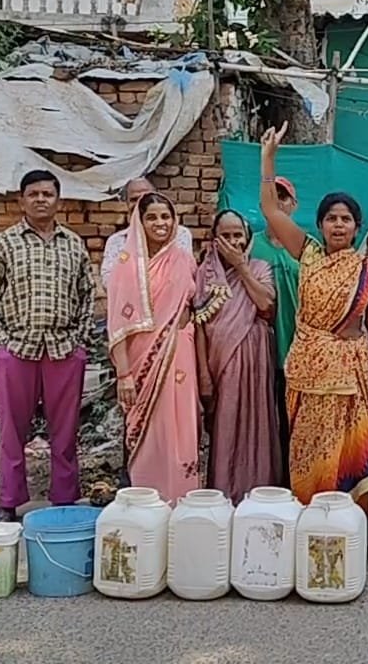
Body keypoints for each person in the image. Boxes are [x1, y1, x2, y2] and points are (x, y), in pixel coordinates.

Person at [259, 123, 368, 507]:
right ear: (319, 225)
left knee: (350, 449)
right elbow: (270, 208)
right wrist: (268, 159)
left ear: (356, 228)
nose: (338, 224)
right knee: (308, 449)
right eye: (331, 218)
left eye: (346, 219)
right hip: (307, 371)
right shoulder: (309, 253)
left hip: (351, 374)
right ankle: (308, 519)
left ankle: (346, 525)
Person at [0, 170, 93, 523]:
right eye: (34, 194)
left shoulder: (73, 244)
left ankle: (65, 498)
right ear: (21, 200)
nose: (41, 199)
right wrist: (0, 340)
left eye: (47, 194)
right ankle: (9, 501)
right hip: (17, 348)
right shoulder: (5, 244)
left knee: (66, 429)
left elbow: (88, 295)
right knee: (12, 429)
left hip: (63, 349)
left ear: (59, 201)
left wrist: (79, 340)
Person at [106, 193, 201, 504]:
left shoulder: (184, 259)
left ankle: (182, 501)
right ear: (140, 222)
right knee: (149, 433)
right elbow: (119, 327)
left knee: (181, 429)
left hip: (180, 357)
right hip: (140, 363)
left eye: (166, 217)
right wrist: (124, 375)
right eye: (152, 218)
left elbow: (190, 308)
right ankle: (146, 502)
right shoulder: (127, 265)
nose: (161, 223)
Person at [194, 209, 280, 501]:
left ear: (247, 239)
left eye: (237, 235)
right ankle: (223, 494)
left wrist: (241, 268)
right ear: (215, 240)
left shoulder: (259, 267)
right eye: (226, 236)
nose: (232, 242)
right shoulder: (204, 274)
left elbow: (266, 305)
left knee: (256, 426)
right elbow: (200, 328)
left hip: (253, 358)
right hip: (219, 362)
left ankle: (257, 494)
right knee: (224, 427)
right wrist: (204, 374)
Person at [249, 175, 301, 485]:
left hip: (299, 349)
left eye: (284, 197)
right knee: (266, 423)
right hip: (262, 349)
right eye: (272, 196)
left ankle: (296, 487)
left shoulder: (305, 248)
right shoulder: (251, 244)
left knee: (296, 423)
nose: (278, 202)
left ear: (293, 205)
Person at [100, 177, 193, 287]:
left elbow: (183, 276)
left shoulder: (180, 235)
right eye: (134, 199)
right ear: (126, 204)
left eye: (146, 197)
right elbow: (109, 282)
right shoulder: (118, 241)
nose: (140, 203)